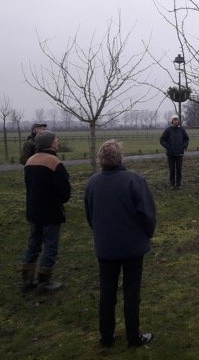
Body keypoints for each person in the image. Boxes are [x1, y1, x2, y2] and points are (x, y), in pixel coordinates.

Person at [84, 140, 156, 349]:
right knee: (132, 293)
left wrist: (100, 233)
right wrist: (146, 234)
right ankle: (133, 336)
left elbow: (90, 214)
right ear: (120, 158)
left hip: (106, 247)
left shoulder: (92, 183)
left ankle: (106, 337)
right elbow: (147, 214)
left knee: (107, 293)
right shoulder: (135, 181)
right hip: (132, 246)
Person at [21, 130, 71, 292]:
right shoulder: (54, 162)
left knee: (33, 243)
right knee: (50, 245)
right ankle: (44, 281)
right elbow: (64, 192)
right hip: (50, 211)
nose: (57, 141)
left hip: (33, 210)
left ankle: (27, 279)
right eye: (56, 139)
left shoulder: (30, 161)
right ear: (49, 143)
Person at [159, 115, 189, 189]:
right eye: (174, 120)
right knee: (172, 169)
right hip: (171, 154)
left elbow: (186, 139)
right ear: (172, 121)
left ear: (178, 121)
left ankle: (178, 184)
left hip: (180, 153)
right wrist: (168, 147)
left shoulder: (182, 130)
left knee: (179, 169)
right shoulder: (168, 130)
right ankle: (172, 184)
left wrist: (183, 146)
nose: (176, 121)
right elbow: (162, 140)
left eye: (177, 120)